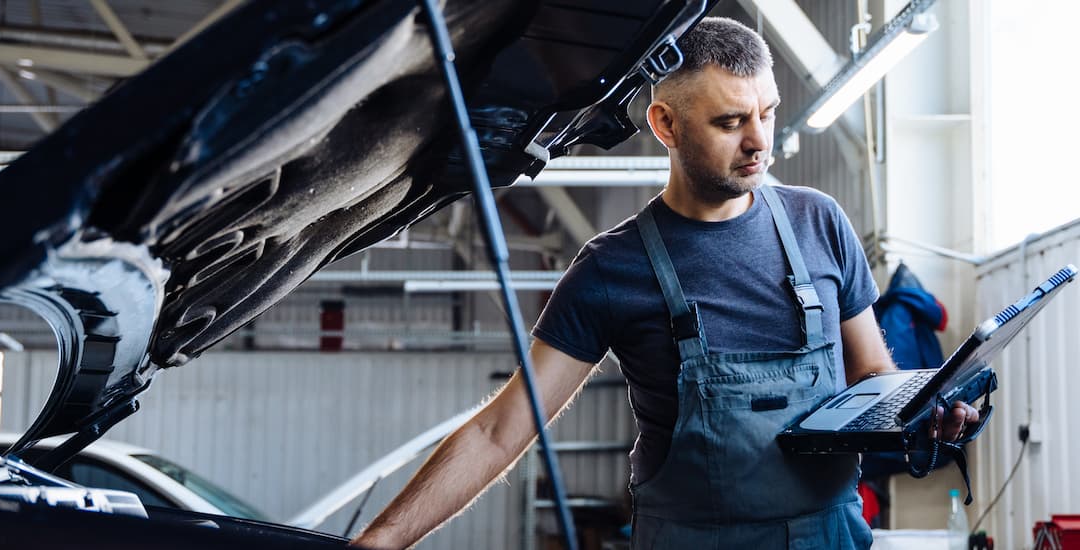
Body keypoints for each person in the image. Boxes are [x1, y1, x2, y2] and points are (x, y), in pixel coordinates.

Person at [350, 17, 979, 550]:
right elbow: (501, 430)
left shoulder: (820, 222)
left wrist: (923, 412)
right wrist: (380, 540)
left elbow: (871, 374)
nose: (760, 141)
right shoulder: (610, 269)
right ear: (666, 125)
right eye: (731, 122)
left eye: (767, 113)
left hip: (829, 533)